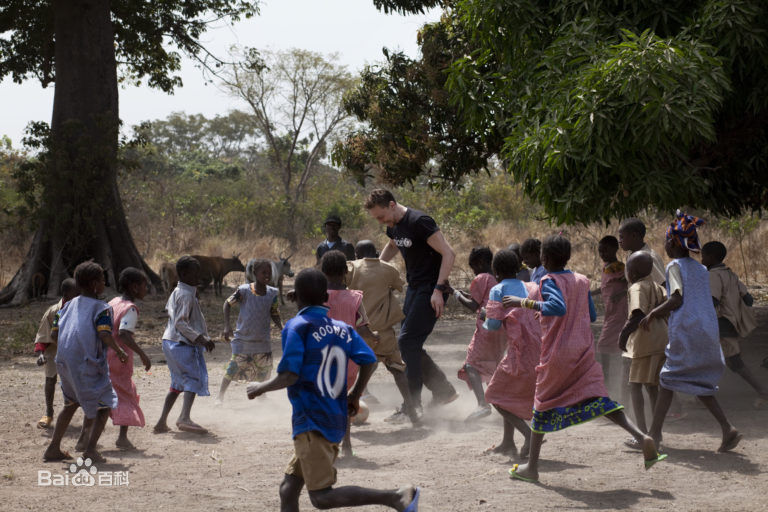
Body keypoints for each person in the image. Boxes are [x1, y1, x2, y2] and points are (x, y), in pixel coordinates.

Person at [246, 268, 420, 512]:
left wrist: (259, 387)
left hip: (311, 422)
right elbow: (369, 360)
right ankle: (396, 497)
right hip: (333, 418)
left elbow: (289, 374)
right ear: (325, 297)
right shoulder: (343, 328)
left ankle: (396, 497)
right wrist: (355, 395)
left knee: (321, 497)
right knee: (288, 488)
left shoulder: (297, 327)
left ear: (295, 295)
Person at [504, 235, 665, 483]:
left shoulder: (548, 279)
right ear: (567, 257)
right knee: (598, 398)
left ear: (544, 259)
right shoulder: (581, 280)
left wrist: (524, 302)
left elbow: (557, 308)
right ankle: (643, 437)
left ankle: (532, 467)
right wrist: (550, 314)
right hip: (582, 350)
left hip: (557, 352)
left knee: (542, 403)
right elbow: (589, 314)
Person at [644, 212, 741, 452]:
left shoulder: (674, 266)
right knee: (697, 381)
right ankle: (727, 428)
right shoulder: (700, 269)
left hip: (686, 330)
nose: (664, 245)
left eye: (667, 241)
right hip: (706, 329)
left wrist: (653, 313)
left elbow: (676, 299)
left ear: (673, 243)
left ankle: (653, 436)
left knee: (667, 379)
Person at [365, 189, 458, 418]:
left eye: (381, 216)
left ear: (392, 204)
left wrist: (439, 289)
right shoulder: (394, 225)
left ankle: (412, 406)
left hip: (431, 288)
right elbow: (394, 244)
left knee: (407, 342)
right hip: (415, 288)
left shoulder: (420, 222)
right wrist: (374, 266)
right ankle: (443, 392)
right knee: (409, 344)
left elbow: (449, 253)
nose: (380, 221)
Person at [43, 261, 127, 463]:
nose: (104, 283)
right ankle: (90, 449)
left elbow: (55, 333)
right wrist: (119, 350)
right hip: (86, 364)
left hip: (65, 363)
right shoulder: (102, 308)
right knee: (104, 404)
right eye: (102, 280)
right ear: (93, 284)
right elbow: (105, 334)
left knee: (71, 404)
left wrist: (69, 349)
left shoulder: (67, 306)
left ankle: (53, 448)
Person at [347, 240, 418, 425]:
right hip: (384, 333)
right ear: (377, 252)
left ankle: (345, 411)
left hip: (360, 331)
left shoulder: (351, 268)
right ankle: (412, 411)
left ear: (356, 254)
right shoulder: (389, 269)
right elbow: (399, 286)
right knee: (397, 369)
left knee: (351, 371)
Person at [320, 250, 379, 457]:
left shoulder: (317, 297)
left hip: (322, 359)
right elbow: (363, 330)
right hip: (348, 361)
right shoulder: (355, 298)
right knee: (344, 399)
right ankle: (346, 444)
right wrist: (374, 335)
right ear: (346, 272)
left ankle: (324, 443)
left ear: (322, 272)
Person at [482, 250, 541, 457]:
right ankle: (508, 442)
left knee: (494, 395)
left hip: (519, 351)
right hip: (540, 349)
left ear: (495, 271)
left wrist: (484, 314)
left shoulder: (497, 289)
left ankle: (528, 434)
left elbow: (493, 326)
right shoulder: (533, 286)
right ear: (518, 269)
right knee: (508, 394)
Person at [154, 256, 216, 435]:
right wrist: (201, 338)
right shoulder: (187, 294)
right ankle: (184, 417)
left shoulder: (178, 291)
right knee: (192, 378)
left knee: (177, 383)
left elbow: (170, 312)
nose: (199, 276)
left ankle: (161, 422)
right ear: (183, 274)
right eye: (195, 273)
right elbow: (181, 323)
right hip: (181, 343)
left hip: (170, 340)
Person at [701, 241, 766, 407]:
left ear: (711, 257)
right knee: (726, 361)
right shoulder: (731, 274)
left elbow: (712, 301)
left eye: (704, 256)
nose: (702, 259)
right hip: (730, 323)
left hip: (720, 324)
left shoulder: (712, 275)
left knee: (732, 361)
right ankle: (701, 394)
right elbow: (749, 299)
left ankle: (763, 392)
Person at [617, 252, 667, 447]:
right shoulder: (656, 285)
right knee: (653, 386)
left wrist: (623, 336)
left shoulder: (637, 287)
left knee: (635, 386)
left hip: (644, 342)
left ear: (633, 272)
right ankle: (656, 432)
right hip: (661, 339)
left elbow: (637, 315)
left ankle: (642, 434)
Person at [218, 258, 282, 403]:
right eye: (263, 272)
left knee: (264, 370)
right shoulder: (244, 290)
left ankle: (262, 396)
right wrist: (227, 326)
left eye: (269, 272)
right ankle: (220, 396)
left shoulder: (272, 293)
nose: (267, 275)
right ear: (254, 273)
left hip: (262, 340)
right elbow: (227, 304)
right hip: (243, 339)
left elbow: (274, 313)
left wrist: (282, 328)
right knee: (233, 367)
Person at [453, 246, 506, 421]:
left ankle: (482, 404)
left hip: (486, 328)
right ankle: (503, 405)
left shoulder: (481, 277)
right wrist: (463, 294)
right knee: (493, 366)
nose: (474, 271)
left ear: (481, 263)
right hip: (501, 330)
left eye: (474, 266)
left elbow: (474, 306)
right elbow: (482, 299)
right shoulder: (497, 278)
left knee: (471, 365)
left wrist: (455, 294)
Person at [108, 267, 152, 450]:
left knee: (107, 395)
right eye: (144, 285)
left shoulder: (114, 302)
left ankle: (86, 436)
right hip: (120, 359)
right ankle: (122, 438)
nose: (146, 289)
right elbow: (124, 334)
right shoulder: (130, 309)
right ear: (134, 287)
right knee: (126, 395)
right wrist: (143, 354)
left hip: (107, 355)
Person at [34, 278, 79, 429]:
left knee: (78, 381)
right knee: (50, 379)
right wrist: (40, 355)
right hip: (54, 349)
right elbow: (42, 337)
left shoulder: (80, 309)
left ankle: (83, 413)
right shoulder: (53, 312)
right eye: (76, 292)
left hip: (73, 350)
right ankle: (48, 413)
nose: (79, 294)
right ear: (66, 294)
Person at [595, 236, 628, 393]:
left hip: (619, 312)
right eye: (600, 251)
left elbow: (631, 282)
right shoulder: (607, 267)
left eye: (605, 250)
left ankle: (607, 379)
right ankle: (612, 378)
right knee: (612, 344)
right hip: (611, 312)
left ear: (615, 249)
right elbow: (605, 286)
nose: (602, 253)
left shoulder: (619, 267)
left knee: (603, 345)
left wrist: (620, 294)